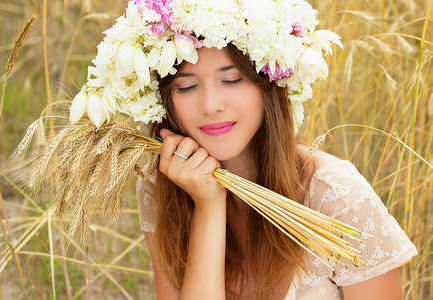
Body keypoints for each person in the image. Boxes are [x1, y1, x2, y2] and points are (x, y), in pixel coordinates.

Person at [68, 0, 418, 298]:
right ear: (165, 103)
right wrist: (208, 204)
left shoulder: (337, 199)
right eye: (187, 87)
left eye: (232, 79)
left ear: (270, 83)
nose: (211, 104)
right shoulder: (164, 186)